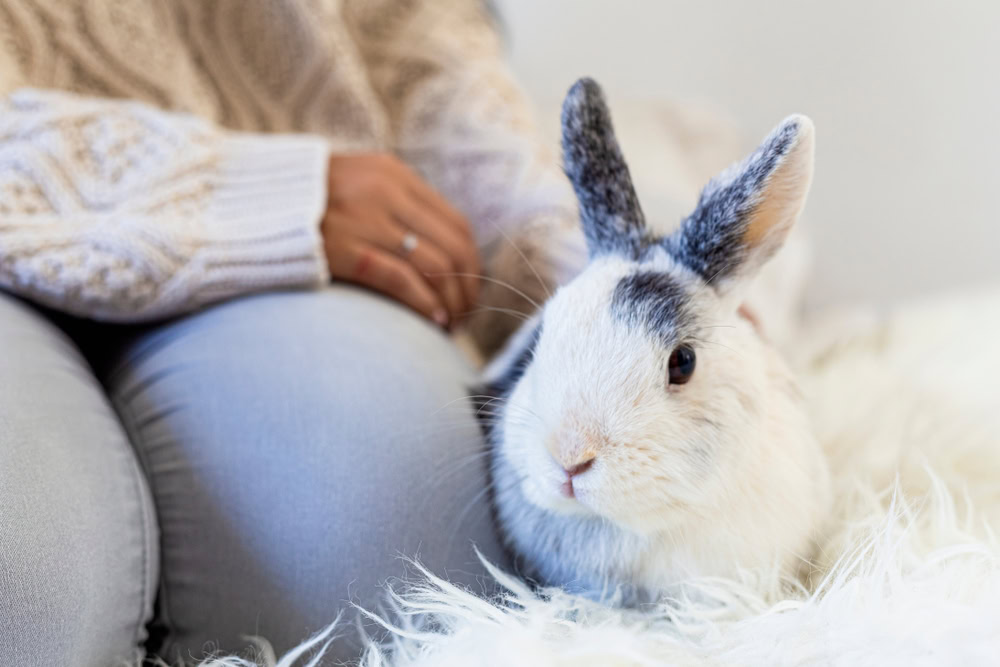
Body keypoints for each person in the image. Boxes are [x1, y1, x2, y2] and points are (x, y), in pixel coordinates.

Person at [0, 1, 583, 663]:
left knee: (380, 544)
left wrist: (605, 283)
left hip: (325, 216)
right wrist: (234, 191)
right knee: (24, 584)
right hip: (225, 195)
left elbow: (424, 52)